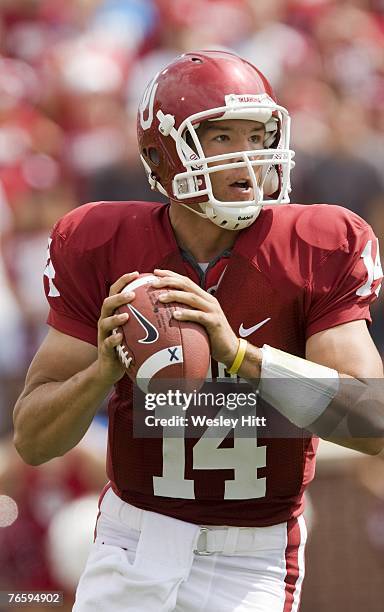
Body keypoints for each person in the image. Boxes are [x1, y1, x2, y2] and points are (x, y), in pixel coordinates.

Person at [13, 50, 384, 612]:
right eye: (221, 137)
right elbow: (35, 441)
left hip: (254, 556)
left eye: (258, 135)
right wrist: (102, 370)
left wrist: (238, 355)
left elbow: (373, 423)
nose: (248, 157)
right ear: (164, 154)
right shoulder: (100, 242)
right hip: (133, 538)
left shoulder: (317, 244)